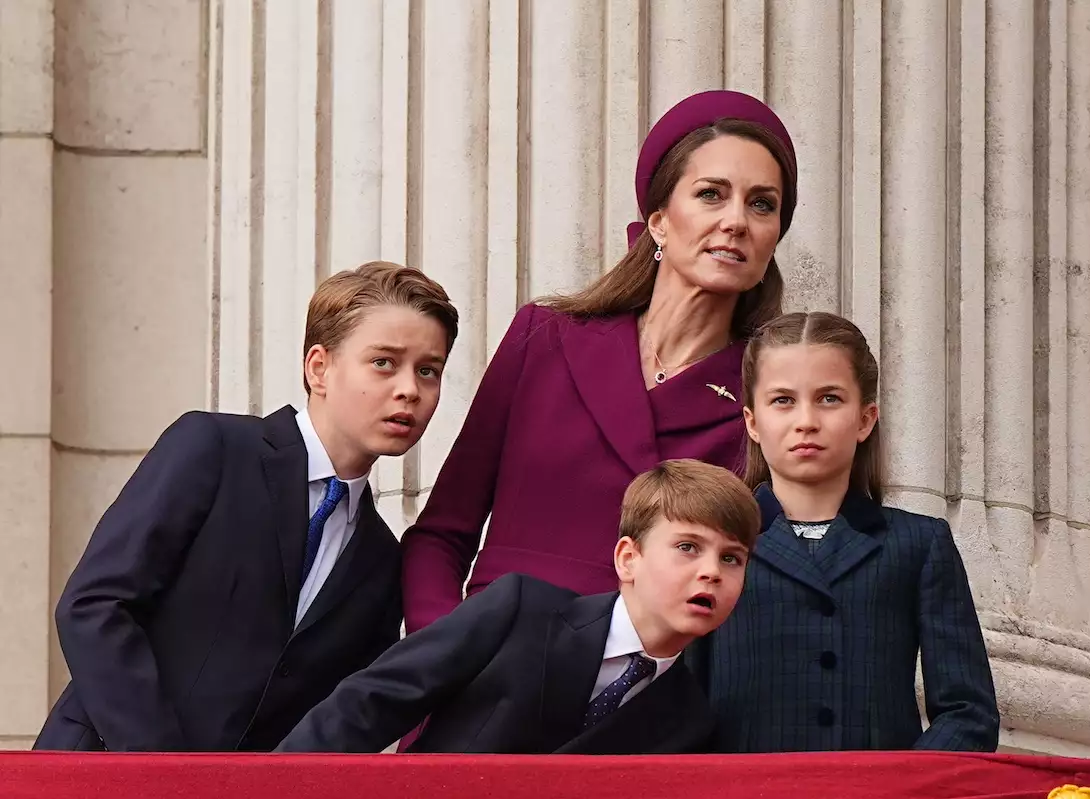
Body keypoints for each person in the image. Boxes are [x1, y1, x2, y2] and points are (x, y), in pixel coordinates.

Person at [401, 90, 798, 634]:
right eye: (711, 194)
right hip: (493, 665)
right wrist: (444, 655)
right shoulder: (544, 338)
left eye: (762, 204)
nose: (736, 221)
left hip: (651, 679)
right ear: (659, 221)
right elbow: (441, 534)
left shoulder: (769, 397)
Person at [34, 262, 459, 752]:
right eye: (384, 362)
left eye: (428, 370)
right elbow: (93, 606)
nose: (409, 389)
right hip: (102, 767)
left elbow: (340, 715)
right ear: (318, 368)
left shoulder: (382, 559)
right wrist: (163, 772)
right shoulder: (214, 449)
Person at [275, 459, 758, 755]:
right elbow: (371, 702)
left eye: (732, 558)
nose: (711, 571)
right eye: (688, 547)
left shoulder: (688, 721)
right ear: (628, 558)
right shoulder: (521, 610)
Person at [692, 312, 1000, 752]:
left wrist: (901, 783)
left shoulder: (918, 543)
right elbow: (677, 706)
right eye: (783, 400)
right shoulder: (713, 544)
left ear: (865, 419)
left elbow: (968, 712)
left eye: (829, 398)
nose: (806, 421)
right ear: (752, 421)